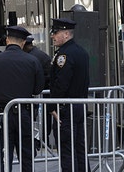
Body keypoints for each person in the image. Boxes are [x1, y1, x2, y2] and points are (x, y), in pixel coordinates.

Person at [0, 26, 44, 172]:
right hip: (24, 113)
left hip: (2, 114)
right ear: (23, 42)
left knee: (3, 153)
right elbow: (38, 89)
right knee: (26, 154)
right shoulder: (33, 61)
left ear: (8, 40)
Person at [49, 18, 90, 172]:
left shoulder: (63, 56)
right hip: (79, 106)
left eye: (56, 33)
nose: (53, 36)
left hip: (65, 109)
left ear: (66, 34)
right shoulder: (82, 52)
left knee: (67, 149)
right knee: (79, 148)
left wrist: (52, 107)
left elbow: (61, 85)